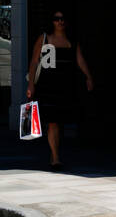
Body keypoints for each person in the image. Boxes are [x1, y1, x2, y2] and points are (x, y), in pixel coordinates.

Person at [25, 10, 93, 170]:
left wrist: (88, 76)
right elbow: (34, 61)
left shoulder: (71, 41)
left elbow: (80, 59)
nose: (60, 22)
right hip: (48, 86)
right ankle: (55, 157)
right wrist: (31, 85)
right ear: (52, 21)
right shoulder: (44, 38)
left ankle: (54, 152)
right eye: (57, 19)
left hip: (65, 85)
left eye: (63, 19)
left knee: (60, 121)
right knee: (53, 122)